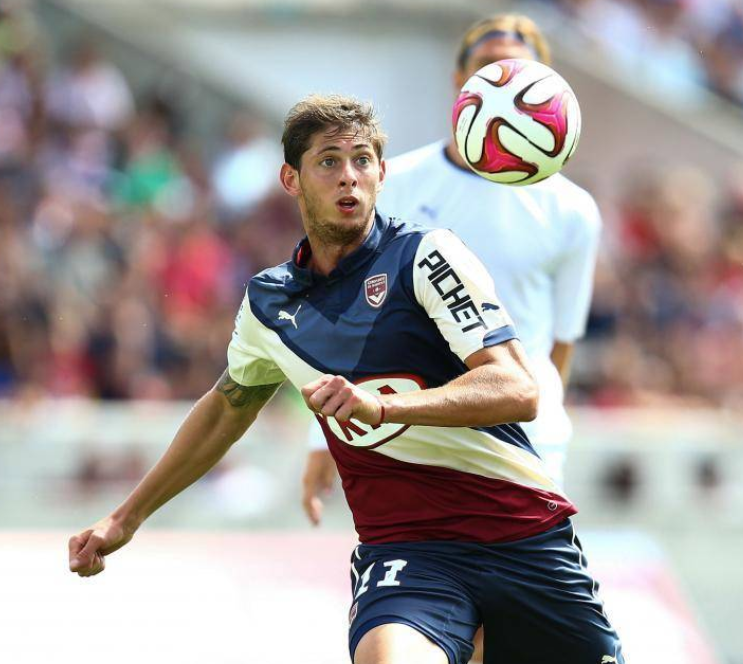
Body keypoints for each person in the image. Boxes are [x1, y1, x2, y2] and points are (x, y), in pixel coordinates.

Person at [68, 94, 622, 664]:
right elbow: (226, 408)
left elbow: (517, 389)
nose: (349, 177)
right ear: (292, 178)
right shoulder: (270, 302)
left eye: (362, 160)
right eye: (329, 161)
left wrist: (382, 409)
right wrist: (124, 517)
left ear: (383, 173)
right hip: (408, 553)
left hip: (523, 537)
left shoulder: (427, 257)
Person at [301, 13, 602, 523]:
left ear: (546, 87)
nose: (502, 89)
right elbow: (347, 311)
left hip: (527, 446)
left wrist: (537, 422)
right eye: (488, 68)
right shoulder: (394, 184)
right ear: (460, 82)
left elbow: (561, 345)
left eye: (518, 73)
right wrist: (321, 435)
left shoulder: (572, 210)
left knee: (525, 600)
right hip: (416, 439)